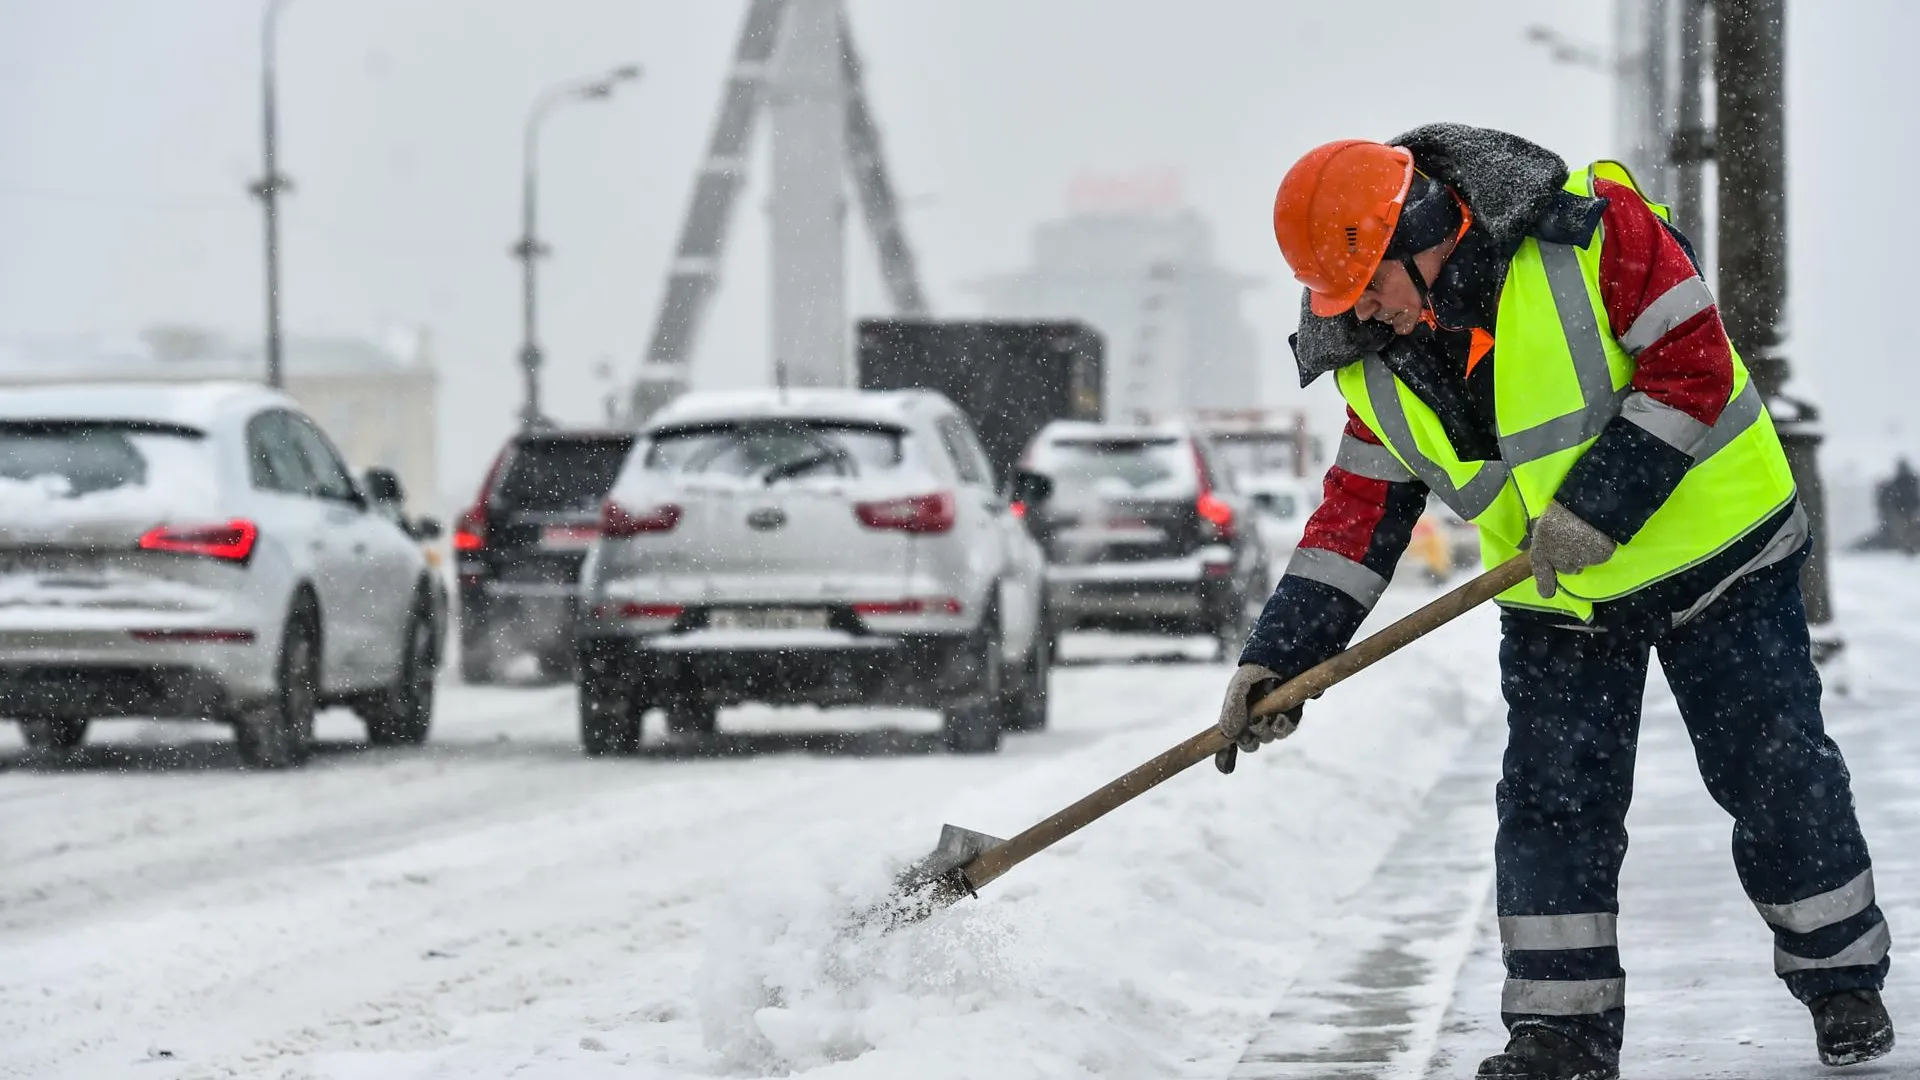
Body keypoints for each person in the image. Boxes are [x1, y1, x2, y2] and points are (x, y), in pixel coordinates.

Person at [1219, 125, 1893, 1079]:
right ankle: (1560, 1034)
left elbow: (1692, 367)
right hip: (1559, 602)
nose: (1365, 312)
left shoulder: (1593, 233)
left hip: (1720, 553)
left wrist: (1596, 505)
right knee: (1551, 804)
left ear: (1423, 232)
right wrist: (1278, 659)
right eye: (1347, 298)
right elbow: (1358, 516)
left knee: (1772, 771)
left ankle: (1842, 980)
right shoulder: (1376, 361)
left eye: (1371, 284)